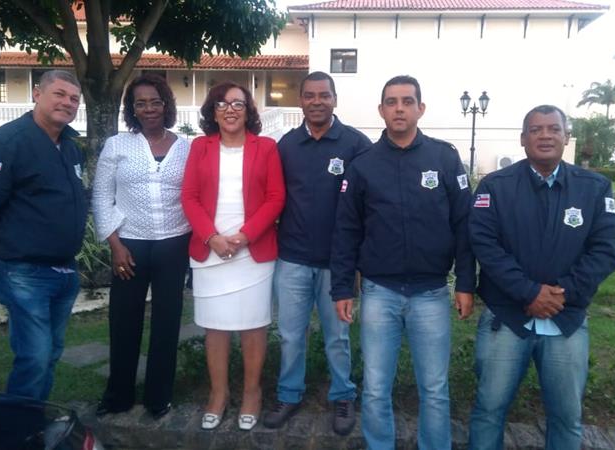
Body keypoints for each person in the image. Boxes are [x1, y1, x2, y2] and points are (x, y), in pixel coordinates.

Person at [330, 75, 476, 449]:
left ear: (420, 109)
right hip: (379, 292)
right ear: (381, 110)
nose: (399, 109)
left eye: (407, 102)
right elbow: (346, 231)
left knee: (435, 388)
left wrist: (465, 283)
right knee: (376, 386)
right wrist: (343, 288)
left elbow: (464, 224)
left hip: (431, 293)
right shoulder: (363, 165)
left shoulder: (444, 158)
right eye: (392, 102)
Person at [467, 105, 615, 450]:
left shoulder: (595, 188)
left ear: (567, 137)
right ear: (523, 139)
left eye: (553, 129)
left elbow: (608, 248)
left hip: (566, 318)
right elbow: (484, 244)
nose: (545, 135)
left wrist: (562, 292)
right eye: (536, 130)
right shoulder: (495, 186)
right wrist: (528, 293)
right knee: (489, 409)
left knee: (567, 417)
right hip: (507, 318)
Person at [0, 70, 87, 401]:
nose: (67, 103)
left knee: (50, 353)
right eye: (59, 94)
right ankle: (18, 425)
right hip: (24, 272)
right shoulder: (6, 143)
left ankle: (34, 418)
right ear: (37, 94)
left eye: (74, 98)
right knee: (35, 358)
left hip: (64, 270)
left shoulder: (69, 147)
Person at [262, 71, 371, 435]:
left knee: (337, 337)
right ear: (301, 101)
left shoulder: (357, 144)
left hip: (337, 262)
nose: (317, 101)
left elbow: (368, 205)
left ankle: (343, 395)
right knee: (290, 334)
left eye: (324, 95)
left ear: (335, 99)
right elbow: (273, 196)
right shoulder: (286, 146)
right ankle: (289, 394)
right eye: (310, 95)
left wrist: (358, 261)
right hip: (292, 257)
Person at [181, 81, 285, 431]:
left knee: (254, 324)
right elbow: (189, 197)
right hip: (210, 250)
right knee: (216, 326)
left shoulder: (266, 147)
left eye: (238, 104)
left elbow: (276, 197)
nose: (230, 109)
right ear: (213, 112)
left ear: (248, 111)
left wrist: (244, 236)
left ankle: (252, 393)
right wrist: (212, 237)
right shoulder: (200, 147)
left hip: (252, 251)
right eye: (222, 104)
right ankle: (219, 394)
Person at [91, 74, 191, 420]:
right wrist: (114, 244)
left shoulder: (186, 147)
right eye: (141, 103)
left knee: (167, 322)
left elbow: (195, 194)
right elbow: (101, 196)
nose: (149, 109)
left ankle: (158, 396)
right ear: (132, 109)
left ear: (166, 105)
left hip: (174, 244)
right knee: (124, 321)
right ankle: (118, 395)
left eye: (155, 101)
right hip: (129, 245)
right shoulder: (117, 145)